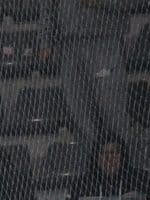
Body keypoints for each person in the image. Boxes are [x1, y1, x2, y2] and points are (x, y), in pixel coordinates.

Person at [43, 0, 134, 147]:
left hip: (104, 39)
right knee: (80, 114)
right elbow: (48, 5)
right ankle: (93, 166)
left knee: (113, 111)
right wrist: (45, 39)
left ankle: (121, 163)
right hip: (68, 44)